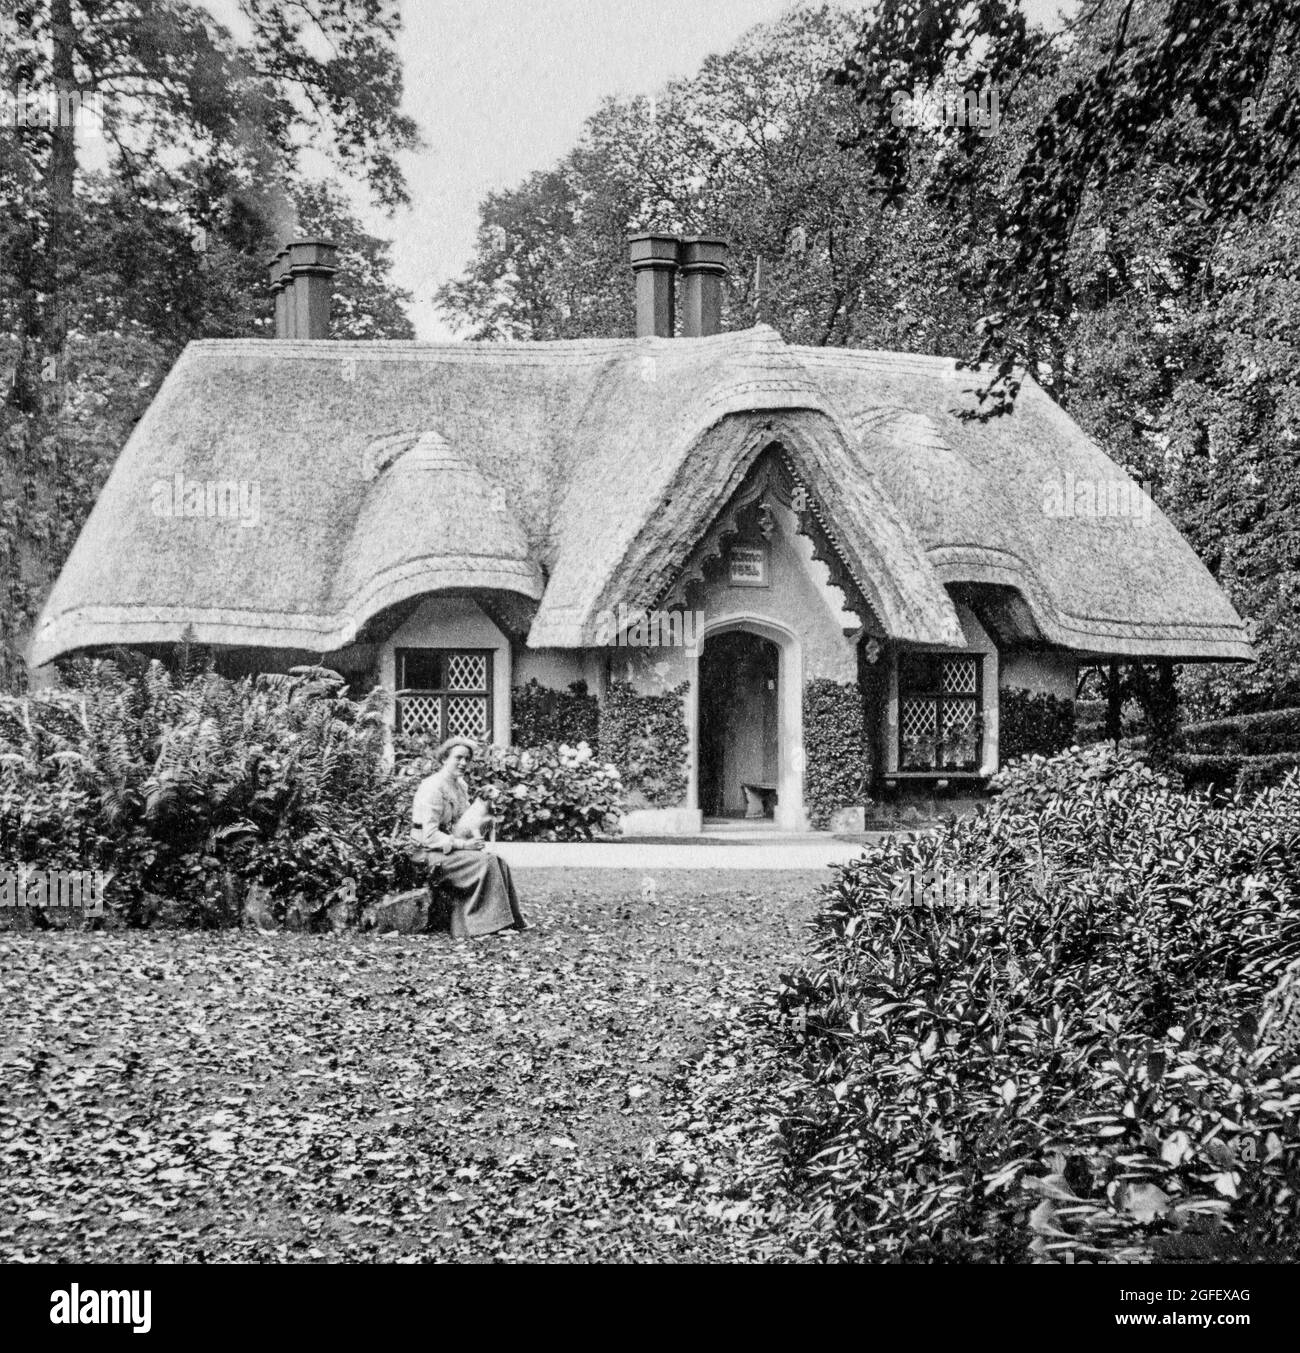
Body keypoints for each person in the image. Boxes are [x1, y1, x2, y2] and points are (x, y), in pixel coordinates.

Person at [410, 737, 526, 939]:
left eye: (467, 759)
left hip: (450, 849)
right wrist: (464, 844)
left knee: (498, 861)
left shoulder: (460, 786)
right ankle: (482, 925)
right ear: (445, 758)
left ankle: (507, 921)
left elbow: (464, 821)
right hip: (428, 853)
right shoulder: (432, 787)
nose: (463, 763)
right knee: (487, 862)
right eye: (458, 758)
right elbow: (429, 836)